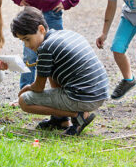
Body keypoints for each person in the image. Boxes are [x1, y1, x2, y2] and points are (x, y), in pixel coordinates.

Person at [12, 7, 109, 136]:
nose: (27, 45)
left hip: (84, 97)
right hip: (99, 93)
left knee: (24, 101)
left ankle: (79, 115)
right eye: (23, 41)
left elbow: (39, 87)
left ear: (41, 29)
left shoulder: (45, 48)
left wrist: (26, 88)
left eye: (27, 39)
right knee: (52, 71)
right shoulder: (65, 34)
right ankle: (60, 120)